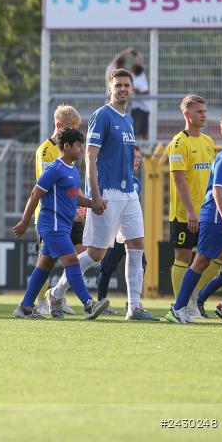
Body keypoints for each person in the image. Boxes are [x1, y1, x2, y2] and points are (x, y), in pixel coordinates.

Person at [47, 69, 159, 321]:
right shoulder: (102, 116)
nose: (123, 89)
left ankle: (133, 307)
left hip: (129, 193)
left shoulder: (128, 119)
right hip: (107, 193)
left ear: (132, 89)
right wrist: (94, 196)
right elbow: (90, 157)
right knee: (96, 253)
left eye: (126, 85)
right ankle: (57, 292)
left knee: (136, 245)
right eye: (118, 85)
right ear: (110, 89)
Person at [11, 128, 111, 319]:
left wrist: (92, 203)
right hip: (52, 225)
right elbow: (35, 194)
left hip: (63, 226)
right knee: (72, 261)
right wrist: (24, 221)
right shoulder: (54, 169)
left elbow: (73, 196)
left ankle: (24, 307)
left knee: (45, 266)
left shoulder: (71, 169)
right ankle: (89, 304)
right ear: (66, 146)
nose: (81, 150)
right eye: (78, 146)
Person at [166, 113, 222, 324]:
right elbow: (217, 191)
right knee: (201, 262)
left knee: (208, 262)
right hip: (216, 219)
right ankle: (178, 308)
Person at [165, 95, 217, 319]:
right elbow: (179, 180)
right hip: (185, 213)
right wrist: (190, 211)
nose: (204, 115)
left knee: (220, 255)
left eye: (204, 111)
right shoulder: (178, 143)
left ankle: (191, 296)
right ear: (187, 114)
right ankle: (181, 307)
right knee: (183, 257)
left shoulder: (208, 141)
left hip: (207, 212)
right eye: (199, 111)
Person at [32, 105, 83, 316]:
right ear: (59, 125)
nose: (74, 133)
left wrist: (79, 205)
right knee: (47, 261)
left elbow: (71, 183)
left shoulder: (69, 149)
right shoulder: (46, 150)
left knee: (78, 254)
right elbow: (47, 187)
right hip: (50, 215)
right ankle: (40, 303)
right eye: (71, 128)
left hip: (68, 213)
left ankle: (58, 296)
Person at [96, 146, 147, 314]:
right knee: (106, 266)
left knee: (142, 263)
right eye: (134, 157)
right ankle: (101, 303)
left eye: (139, 157)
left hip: (128, 231)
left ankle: (133, 303)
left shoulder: (136, 182)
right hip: (117, 231)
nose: (137, 160)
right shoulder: (118, 179)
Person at [130, 63, 150, 140]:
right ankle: (141, 145)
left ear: (134, 71)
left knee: (139, 131)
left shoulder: (138, 81)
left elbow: (147, 91)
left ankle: (141, 145)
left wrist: (137, 92)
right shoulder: (141, 76)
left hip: (141, 109)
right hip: (138, 108)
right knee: (136, 131)